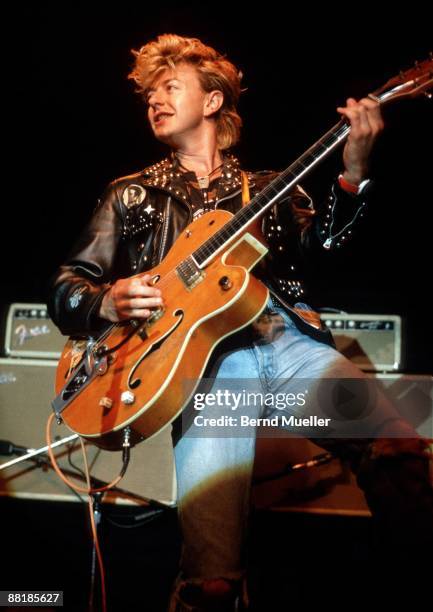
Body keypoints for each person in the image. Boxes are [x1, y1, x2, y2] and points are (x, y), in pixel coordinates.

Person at [48, 34, 433, 611]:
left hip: (285, 343)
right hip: (204, 370)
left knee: (397, 454)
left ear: (211, 101)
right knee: (213, 581)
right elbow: (66, 288)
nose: (154, 99)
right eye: (149, 93)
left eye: (169, 87)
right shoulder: (130, 193)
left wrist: (352, 175)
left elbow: (327, 247)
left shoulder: (270, 186)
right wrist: (108, 299)